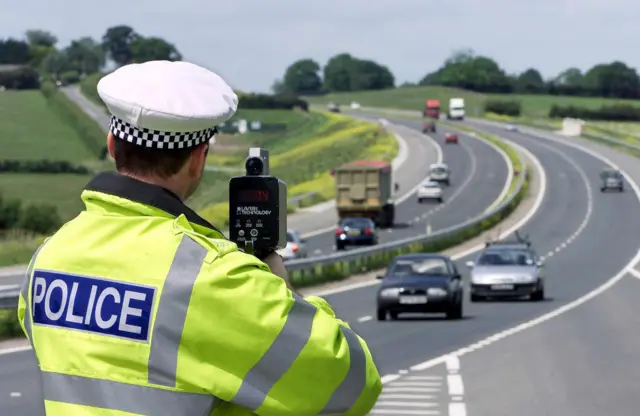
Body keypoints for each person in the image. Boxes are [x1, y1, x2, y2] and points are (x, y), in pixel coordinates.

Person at [17, 60, 382, 415]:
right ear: (197, 159)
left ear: (112, 145)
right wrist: (281, 292)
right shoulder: (211, 278)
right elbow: (352, 385)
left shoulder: (49, 257)